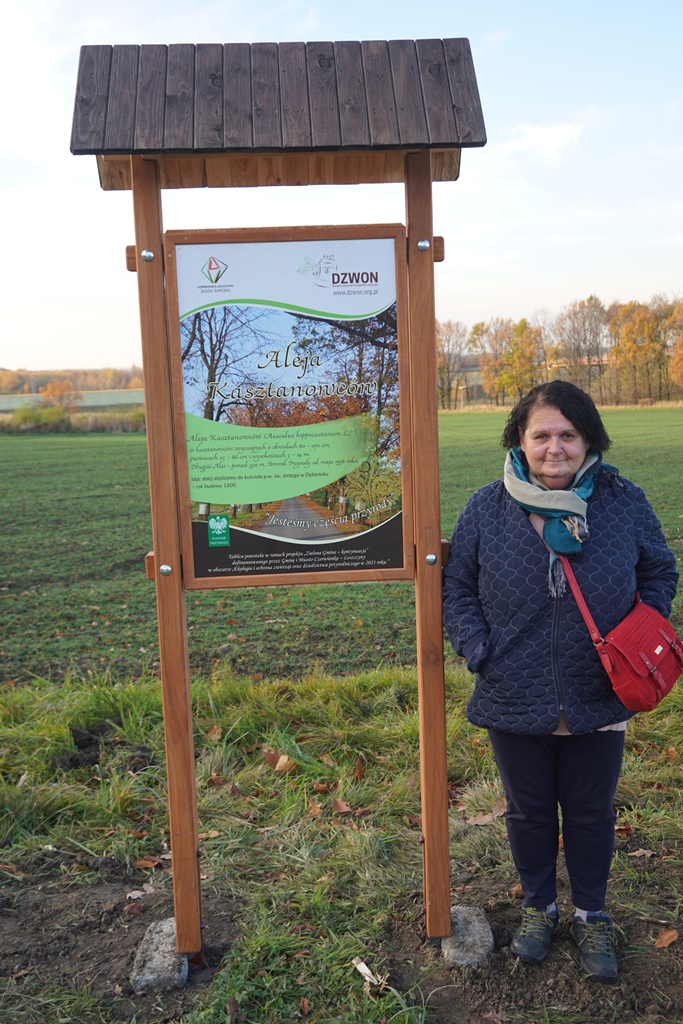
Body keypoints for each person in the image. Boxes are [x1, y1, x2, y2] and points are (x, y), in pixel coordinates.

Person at [442, 381, 678, 983]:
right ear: (520, 442)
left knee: (592, 811)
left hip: (599, 688)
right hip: (511, 686)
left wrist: (638, 629)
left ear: (588, 438)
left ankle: (591, 913)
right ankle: (539, 908)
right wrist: (478, 650)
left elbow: (658, 567)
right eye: (541, 435)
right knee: (527, 811)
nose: (555, 448)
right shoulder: (486, 507)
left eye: (568, 435)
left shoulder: (622, 500)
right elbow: (458, 587)